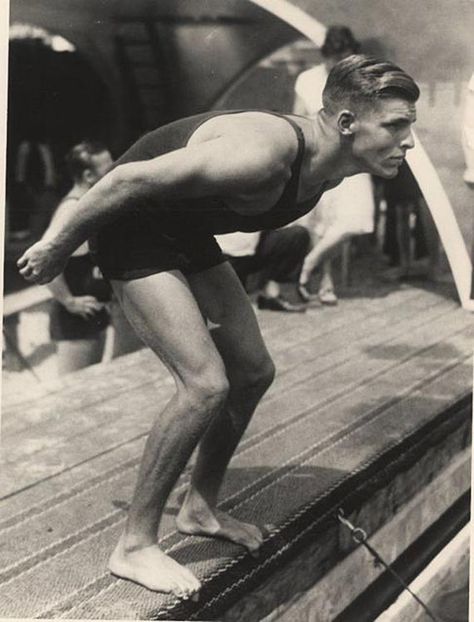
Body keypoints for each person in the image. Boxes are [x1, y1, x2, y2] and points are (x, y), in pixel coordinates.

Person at [17, 54, 419, 599]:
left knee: (253, 371)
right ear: (346, 123)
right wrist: (58, 247)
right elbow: (125, 179)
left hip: (181, 229)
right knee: (205, 384)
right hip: (129, 224)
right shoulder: (259, 154)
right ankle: (134, 545)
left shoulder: (328, 168)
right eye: (396, 125)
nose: (409, 140)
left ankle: (199, 508)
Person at [294, 26, 376, 304]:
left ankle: (310, 262)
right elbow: (297, 119)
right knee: (320, 223)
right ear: (325, 55)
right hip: (319, 159)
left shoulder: (357, 80)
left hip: (352, 157)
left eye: (346, 58)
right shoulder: (307, 80)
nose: (339, 65)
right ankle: (325, 283)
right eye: (334, 58)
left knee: (359, 219)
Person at [46, 141, 114, 375]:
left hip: (94, 314)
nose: (114, 172)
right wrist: (69, 301)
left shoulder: (89, 205)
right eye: (108, 170)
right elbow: (42, 264)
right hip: (75, 321)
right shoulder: (71, 211)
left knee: (92, 386)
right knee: (73, 394)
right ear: (88, 175)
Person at [217, 227, 310, 312]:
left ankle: (271, 294)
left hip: (253, 249)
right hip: (224, 258)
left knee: (297, 235)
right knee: (229, 309)